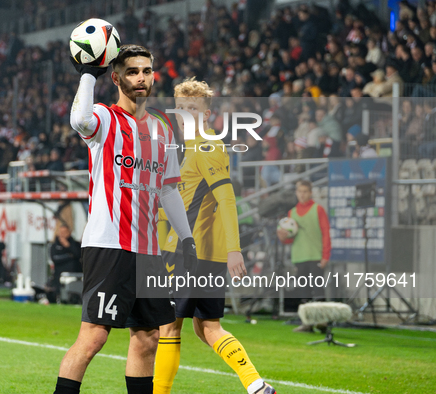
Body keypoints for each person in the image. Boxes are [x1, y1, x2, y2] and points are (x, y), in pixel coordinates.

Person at [53, 45, 197, 394]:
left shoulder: (163, 129)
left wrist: (187, 237)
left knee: (148, 337)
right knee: (93, 337)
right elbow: (78, 120)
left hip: (148, 252)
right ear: (116, 77)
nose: (141, 78)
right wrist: (88, 74)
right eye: (132, 72)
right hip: (108, 245)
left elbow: (168, 190)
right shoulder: (104, 119)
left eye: (146, 71)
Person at [153, 79, 275, 394]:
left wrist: (235, 249)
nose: (185, 114)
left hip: (187, 253)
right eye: (180, 108)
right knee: (207, 327)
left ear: (206, 115)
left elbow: (227, 199)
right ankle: (256, 385)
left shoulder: (206, 146)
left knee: (168, 327)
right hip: (207, 255)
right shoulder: (189, 148)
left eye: (193, 109)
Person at [277, 180, 331, 333]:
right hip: (299, 256)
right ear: (296, 192)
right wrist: (282, 237)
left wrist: (325, 255)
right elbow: (289, 239)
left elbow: (326, 233)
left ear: (310, 192)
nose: (302, 194)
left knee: (318, 289)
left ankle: (322, 321)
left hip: (315, 255)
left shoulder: (318, 209)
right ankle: (307, 323)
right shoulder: (291, 213)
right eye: (299, 191)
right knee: (303, 290)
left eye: (305, 191)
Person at [49, 224, 82, 304]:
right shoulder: (55, 245)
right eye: (61, 232)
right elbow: (55, 259)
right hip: (59, 275)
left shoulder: (75, 244)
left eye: (64, 232)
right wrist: (70, 256)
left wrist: (68, 246)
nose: (62, 234)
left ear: (69, 232)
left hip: (74, 274)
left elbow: (78, 254)